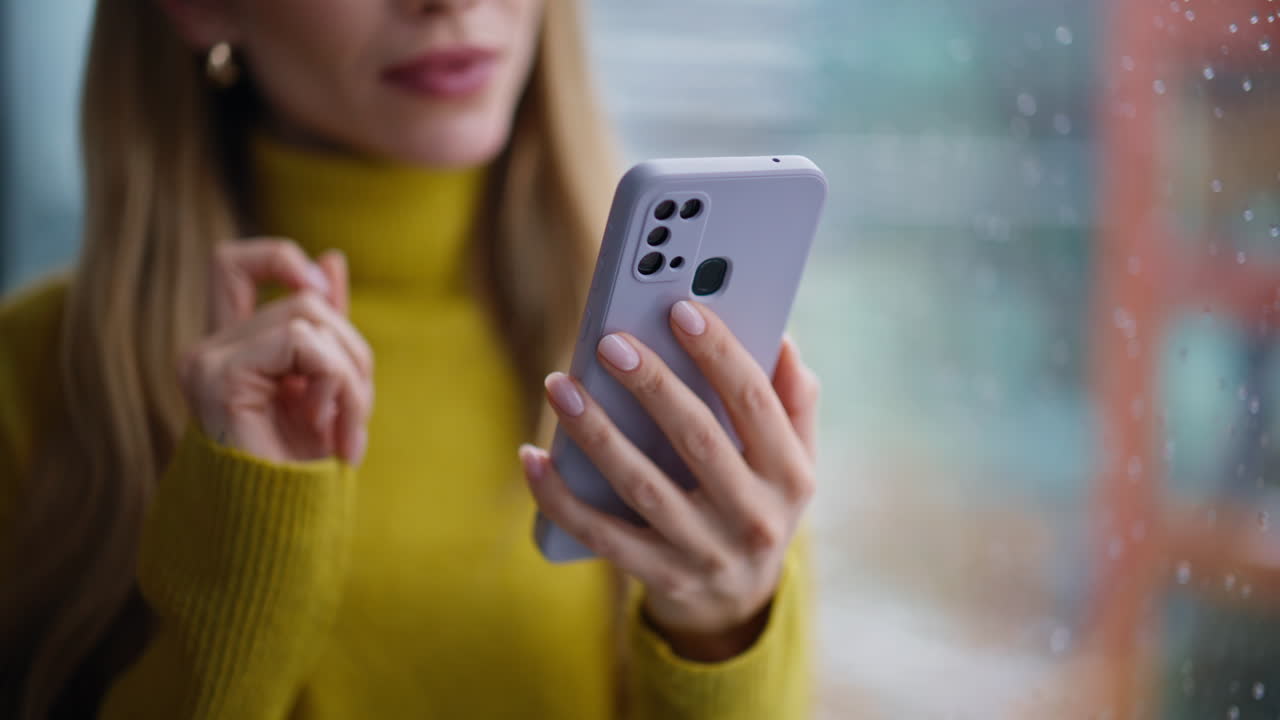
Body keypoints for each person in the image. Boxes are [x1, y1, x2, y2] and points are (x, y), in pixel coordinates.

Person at [0, 0, 820, 717]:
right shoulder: (30, 378)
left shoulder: (678, 352)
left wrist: (724, 631)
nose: (449, 2)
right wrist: (242, 581)